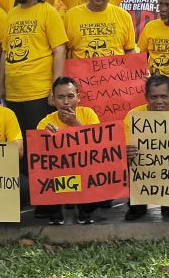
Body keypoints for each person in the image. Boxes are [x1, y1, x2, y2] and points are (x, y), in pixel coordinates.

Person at [0, 0, 68, 137]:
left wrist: (55, 87)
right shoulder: (11, 14)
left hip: (39, 93)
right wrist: (0, 86)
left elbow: (60, 50)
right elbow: (5, 52)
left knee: (38, 146)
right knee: (18, 146)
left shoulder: (48, 12)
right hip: (13, 94)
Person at [124, 75, 169, 221]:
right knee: (127, 162)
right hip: (143, 169)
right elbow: (123, 147)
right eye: (154, 97)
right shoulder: (133, 116)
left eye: (163, 96)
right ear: (146, 98)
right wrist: (126, 151)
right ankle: (137, 206)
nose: (159, 102)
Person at [36, 76, 100, 225]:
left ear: (78, 98)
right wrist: (46, 138)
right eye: (60, 97)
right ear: (52, 99)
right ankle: (55, 210)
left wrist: (74, 123)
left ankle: (85, 209)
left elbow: (98, 145)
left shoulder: (88, 114)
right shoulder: (45, 123)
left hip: (84, 170)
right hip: (59, 174)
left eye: (70, 96)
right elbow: (39, 157)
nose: (66, 102)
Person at [63, 0, 136, 59]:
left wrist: (138, 69)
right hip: (81, 72)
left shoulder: (124, 16)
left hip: (116, 72)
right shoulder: (70, 16)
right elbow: (63, 51)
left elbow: (129, 50)